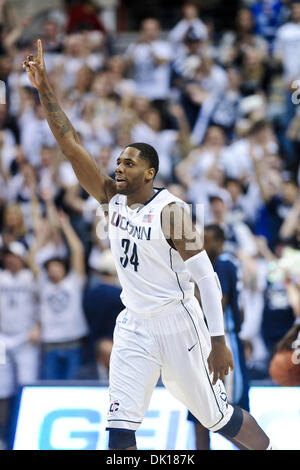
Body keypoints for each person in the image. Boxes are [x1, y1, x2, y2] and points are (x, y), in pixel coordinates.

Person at [23, 40, 274, 450]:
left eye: (129, 163)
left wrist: (218, 341)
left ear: (150, 172)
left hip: (180, 324)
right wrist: (44, 86)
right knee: (120, 427)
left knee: (219, 419)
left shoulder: (172, 212)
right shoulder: (111, 198)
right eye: (118, 161)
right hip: (134, 324)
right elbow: (69, 143)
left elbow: (207, 280)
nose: (118, 168)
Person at [187, 224, 250, 450]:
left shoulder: (222, 264)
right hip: (210, 343)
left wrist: (187, 290)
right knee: (201, 413)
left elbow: (216, 306)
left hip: (223, 342)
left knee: (229, 412)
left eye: (208, 240)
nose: (202, 244)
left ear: (220, 242)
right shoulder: (224, 264)